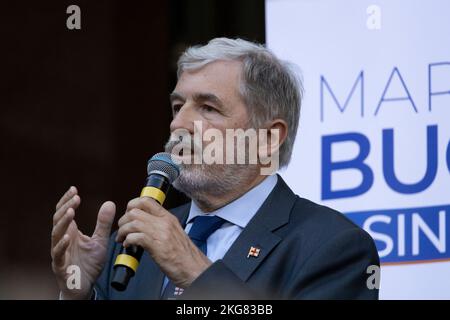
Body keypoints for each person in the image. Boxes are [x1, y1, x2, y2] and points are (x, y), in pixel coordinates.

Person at [50, 38, 380, 300]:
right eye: (178, 106)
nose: (178, 124)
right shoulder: (134, 244)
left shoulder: (333, 248)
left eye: (208, 108)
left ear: (267, 138)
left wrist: (196, 273)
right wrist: (78, 293)